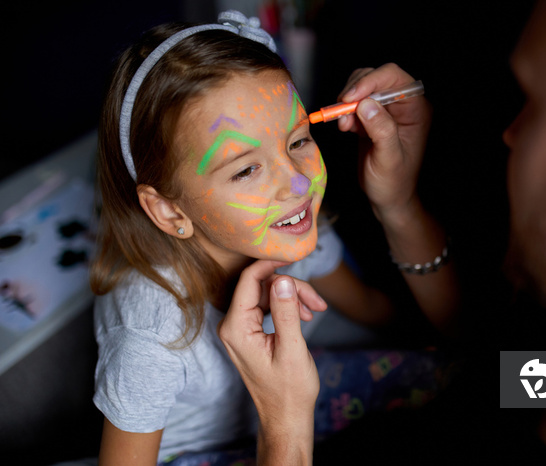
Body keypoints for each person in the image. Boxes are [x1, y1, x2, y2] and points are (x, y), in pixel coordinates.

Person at [221, 0, 546, 464]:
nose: (509, 133)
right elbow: (491, 351)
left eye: (535, 101)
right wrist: (400, 204)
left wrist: (283, 430)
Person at [90, 10, 457, 466]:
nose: (298, 185)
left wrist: (437, 340)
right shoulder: (149, 340)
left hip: (294, 408)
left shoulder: (296, 229)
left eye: (298, 140)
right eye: (246, 169)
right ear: (169, 210)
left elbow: (375, 312)